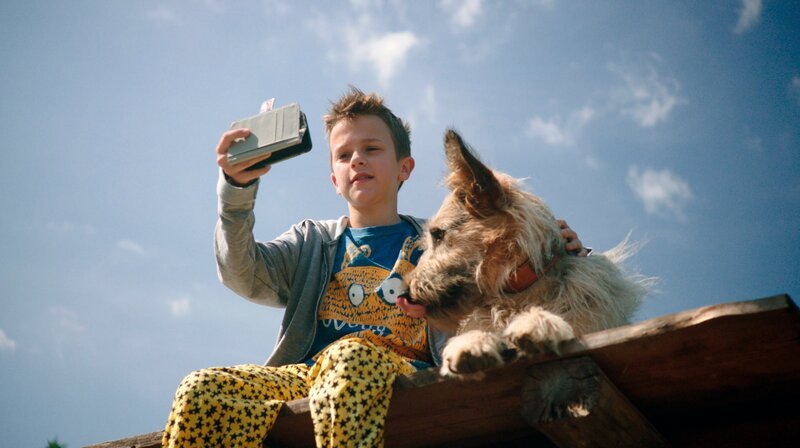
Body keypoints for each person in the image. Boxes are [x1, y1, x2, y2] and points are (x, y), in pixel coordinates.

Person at [161, 87, 587, 448]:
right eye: (343, 155)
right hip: (306, 378)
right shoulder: (313, 241)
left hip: (406, 378)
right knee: (201, 389)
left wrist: (553, 248)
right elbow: (242, 272)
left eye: (371, 149)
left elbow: (505, 264)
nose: (357, 161)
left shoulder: (444, 240)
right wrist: (236, 190)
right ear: (334, 179)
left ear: (405, 167)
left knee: (350, 357)